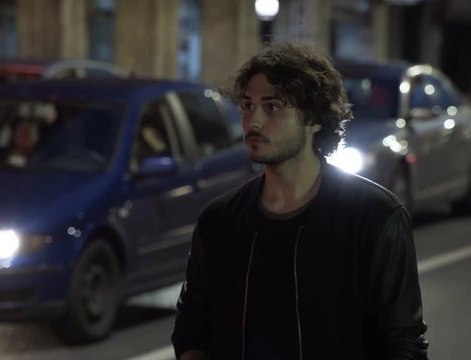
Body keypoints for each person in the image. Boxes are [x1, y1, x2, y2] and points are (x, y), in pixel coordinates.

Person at [172, 42, 428, 359]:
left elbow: (403, 342)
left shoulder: (374, 217)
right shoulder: (221, 220)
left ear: (314, 118)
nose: (253, 122)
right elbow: (192, 328)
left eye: (273, 106)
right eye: (247, 106)